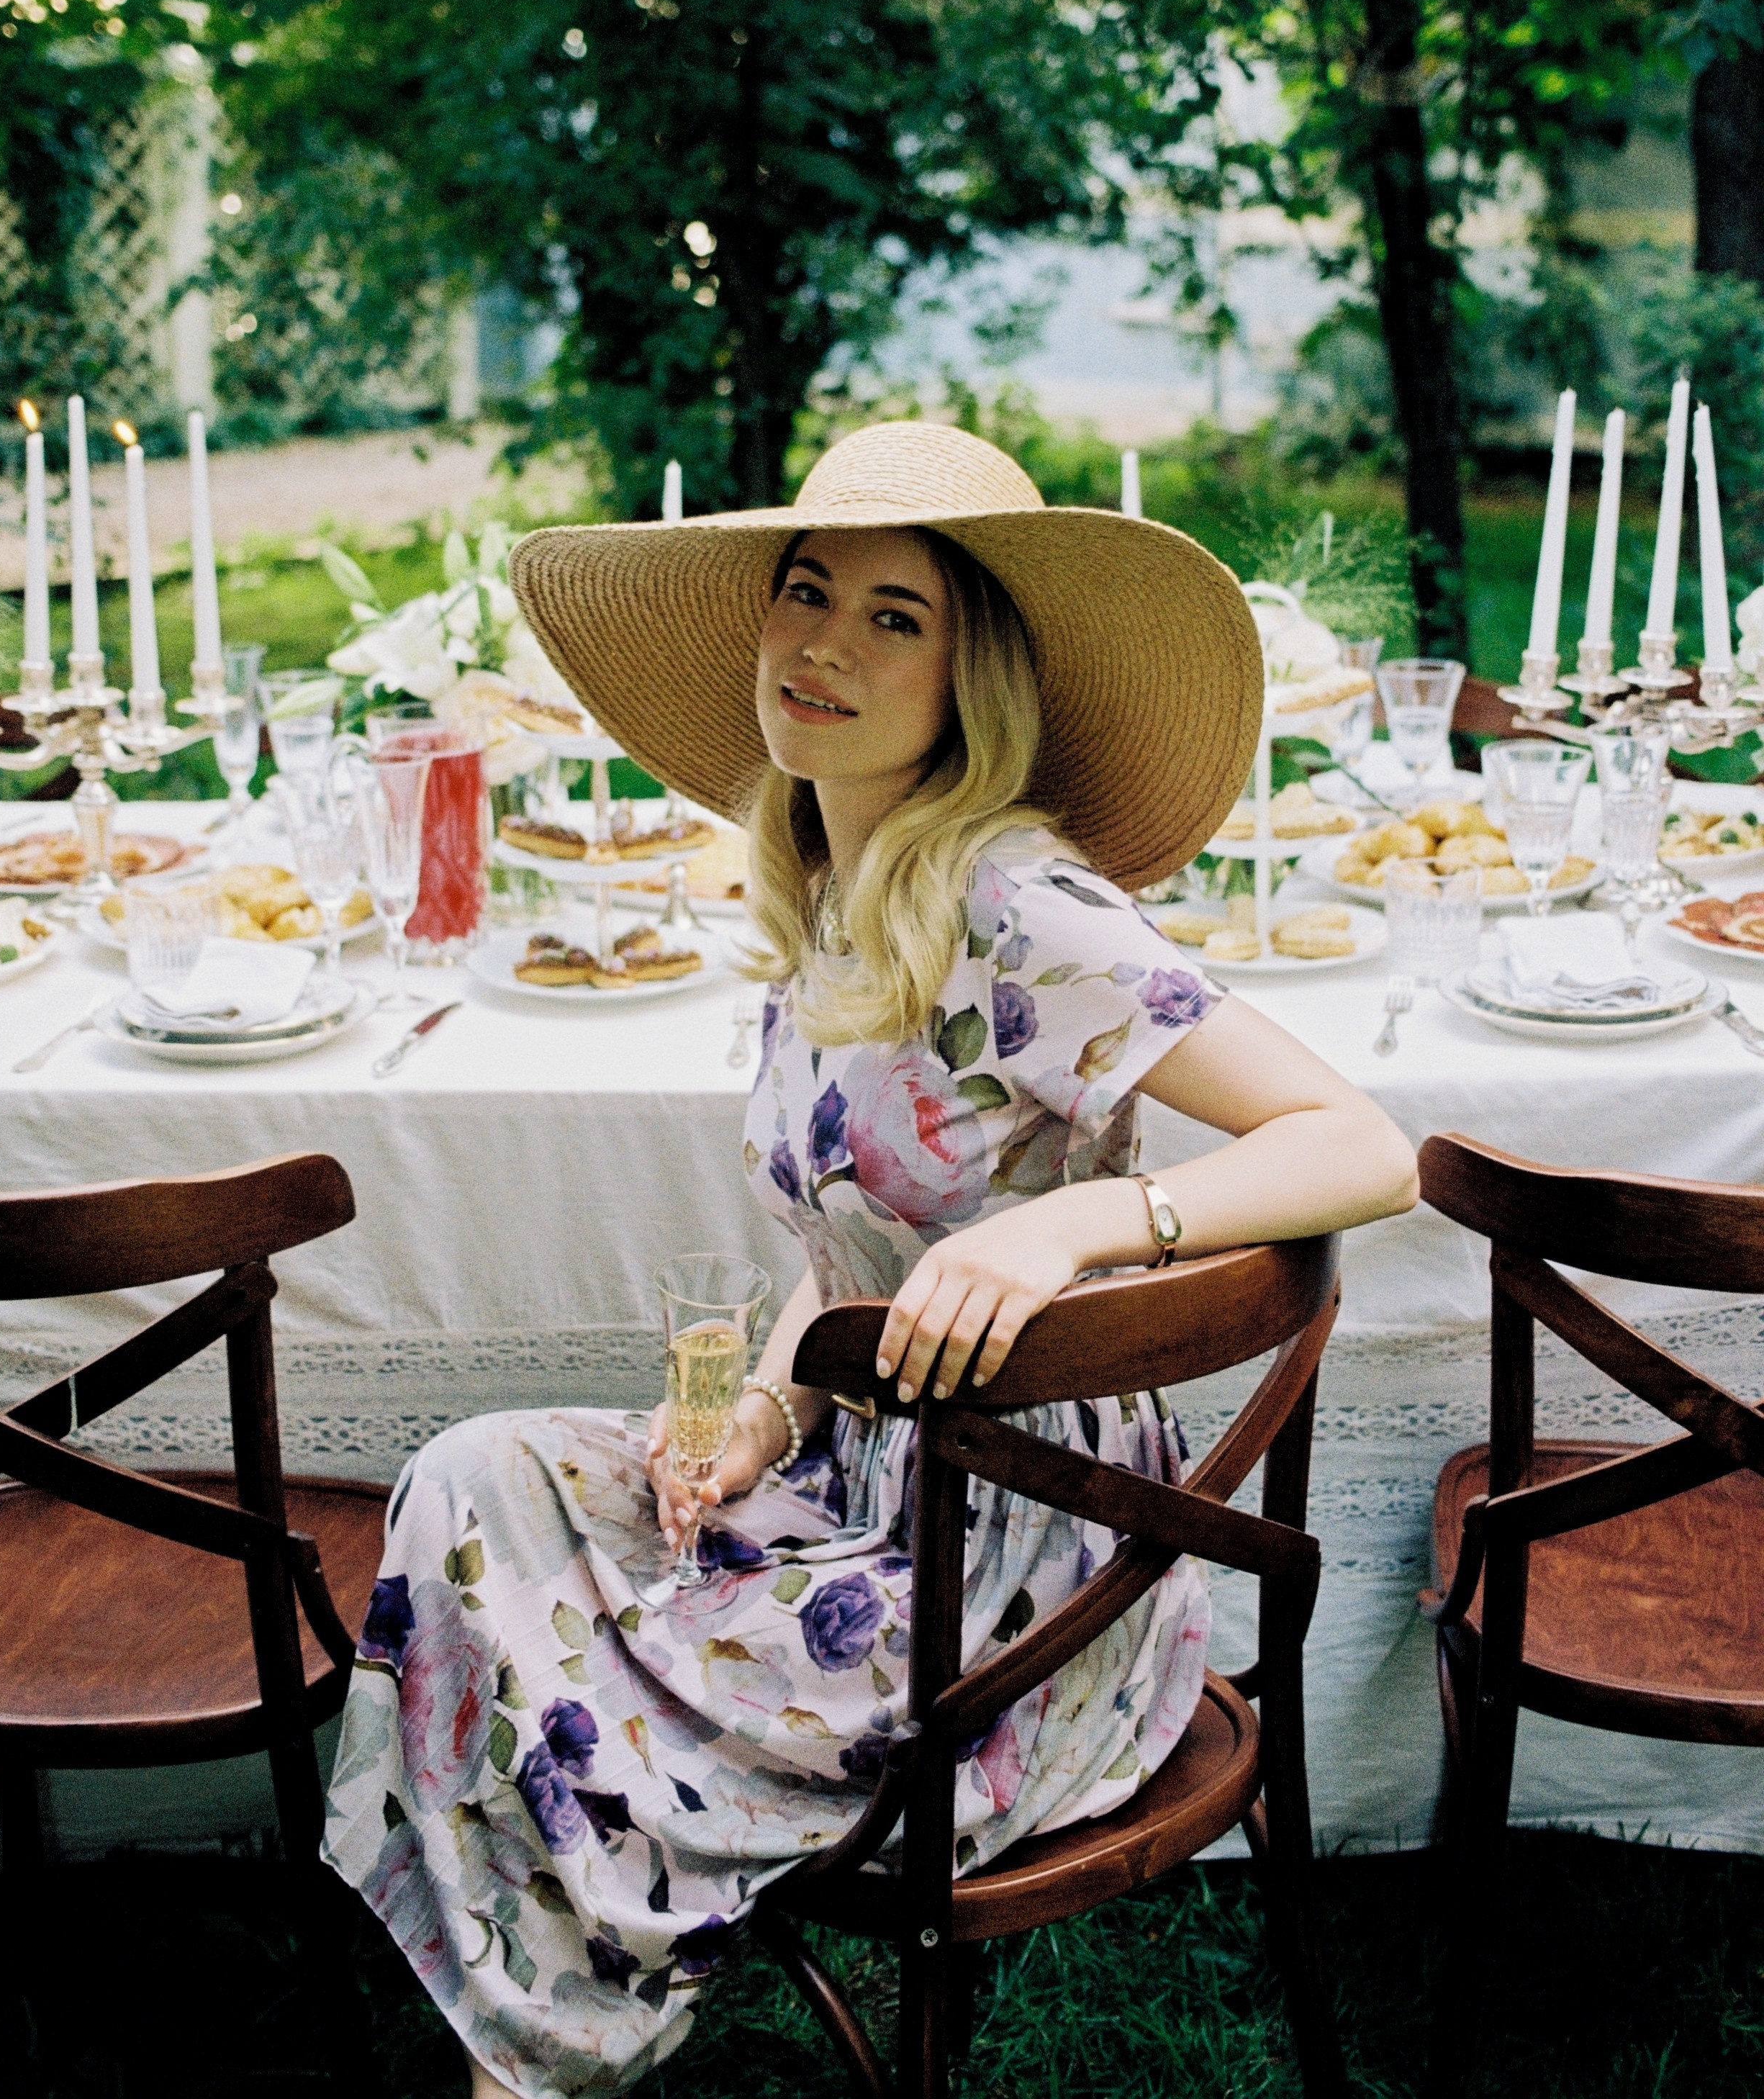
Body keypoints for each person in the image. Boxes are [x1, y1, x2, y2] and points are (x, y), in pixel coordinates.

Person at [324, 423, 1419, 2099]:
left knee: (569, 1651)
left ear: (968, 680)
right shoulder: (843, 885)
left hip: (1026, 1572)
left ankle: (541, 2046)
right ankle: (551, 2013)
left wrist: (1072, 1224)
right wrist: (758, 1414)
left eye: (893, 615)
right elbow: (849, 1248)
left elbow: (1361, 1145)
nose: (822, 643)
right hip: (865, 1478)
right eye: (805, 591)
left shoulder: (1018, 900)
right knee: (472, 1480)